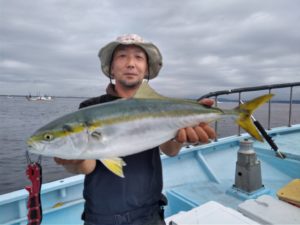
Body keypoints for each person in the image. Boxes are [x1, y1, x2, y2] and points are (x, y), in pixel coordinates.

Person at [55, 34, 215, 225]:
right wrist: (71, 161)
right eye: (122, 56)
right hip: (102, 216)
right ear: (111, 68)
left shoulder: (161, 106)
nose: (130, 63)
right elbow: (88, 165)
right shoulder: (91, 108)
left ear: (146, 68)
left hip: (150, 213)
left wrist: (183, 137)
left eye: (139, 57)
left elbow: (170, 150)